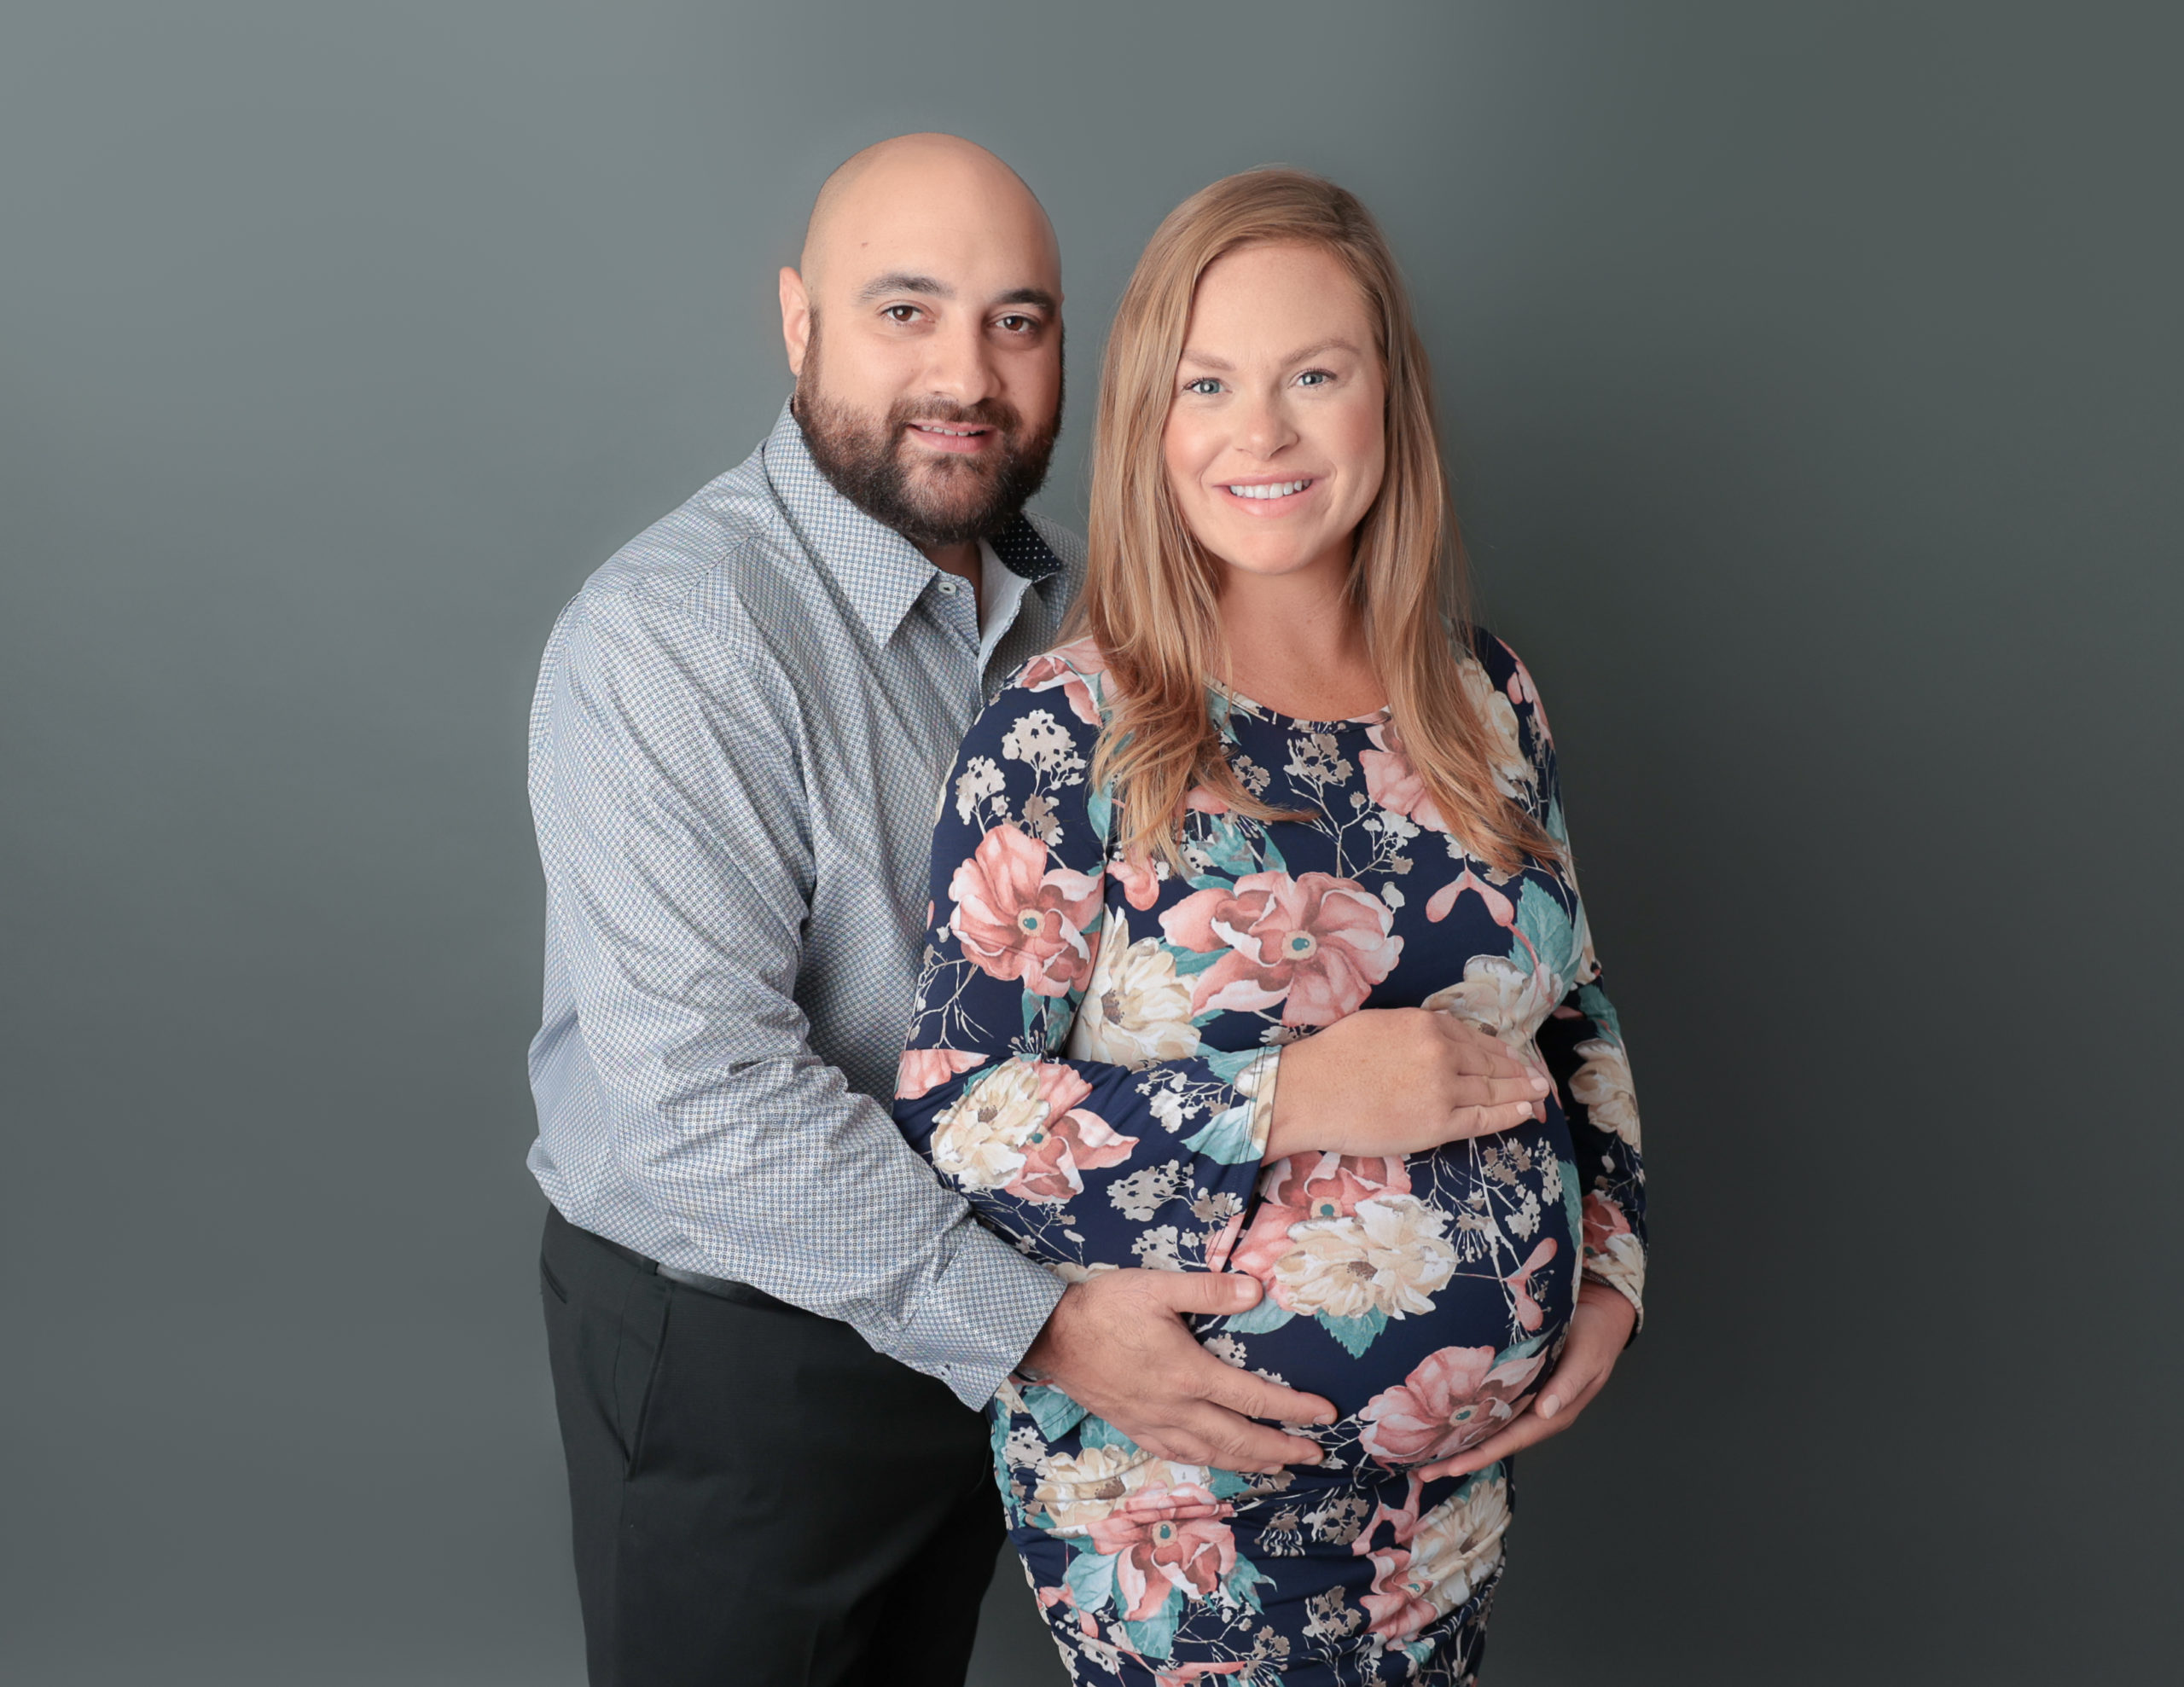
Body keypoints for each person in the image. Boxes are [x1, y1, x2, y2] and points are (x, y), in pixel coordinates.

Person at [523, 136, 1531, 1686]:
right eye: (904, 312)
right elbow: (704, 1101)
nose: (966, 374)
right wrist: (1038, 1325)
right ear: (798, 323)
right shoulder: (678, 641)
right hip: (750, 1349)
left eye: (1018, 321)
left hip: (1019, 1341)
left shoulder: (1088, 619)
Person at [892, 168, 1648, 1683]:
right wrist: (1297, 1094)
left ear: (1390, 399)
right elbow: (960, 1112)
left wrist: (1617, 1260)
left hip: (1444, 1512)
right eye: (1210, 383)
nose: (1264, 433)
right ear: (1151, 424)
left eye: (1315, 375)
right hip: (1185, 1505)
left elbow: (1576, 1013)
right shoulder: (1070, 736)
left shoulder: (1486, 698)